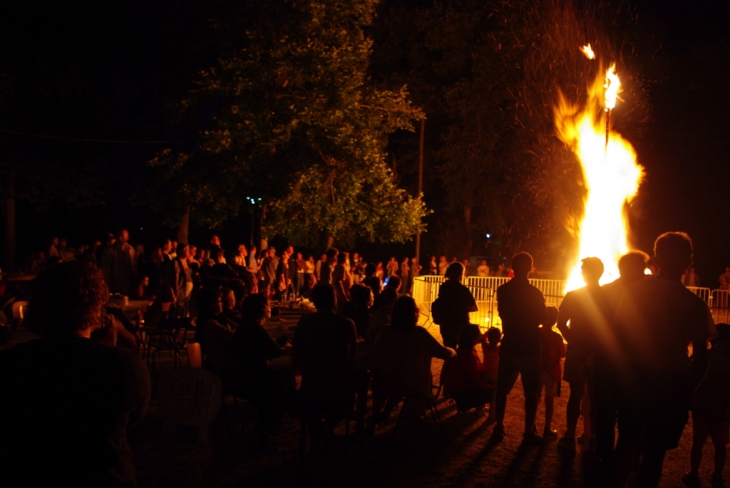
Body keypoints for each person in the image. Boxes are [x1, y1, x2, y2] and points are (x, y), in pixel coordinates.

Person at [0, 261, 150, 486]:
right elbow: (135, 416)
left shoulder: (12, 363)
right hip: (105, 475)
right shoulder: (123, 363)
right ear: (96, 306)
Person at [612, 232, 712, 488]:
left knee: (625, 443)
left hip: (634, 376)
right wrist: (687, 391)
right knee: (654, 454)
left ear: (655, 260)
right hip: (671, 382)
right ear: (688, 262)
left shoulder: (633, 292)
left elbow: (618, 336)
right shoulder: (694, 304)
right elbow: (701, 356)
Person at [595, 251, 649, 463]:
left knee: (606, 412)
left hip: (607, 359)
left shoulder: (604, 292)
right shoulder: (646, 295)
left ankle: (606, 457)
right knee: (632, 413)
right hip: (633, 363)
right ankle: (629, 458)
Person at [369, 296, 455, 427]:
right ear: (414, 313)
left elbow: (376, 354)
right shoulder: (419, 333)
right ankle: (414, 412)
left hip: (386, 381)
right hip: (410, 384)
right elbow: (443, 353)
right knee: (415, 368)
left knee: (385, 375)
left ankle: (377, 413)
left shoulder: (385, 330)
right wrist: (453, 350)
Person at [493, 252, 546, 444]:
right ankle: (528, 431)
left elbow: (502, 313)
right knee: (531, 392)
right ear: (530, 269)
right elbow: (542, 318)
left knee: (502, 388)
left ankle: (499, 425)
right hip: (530, 345)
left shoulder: (503, 290)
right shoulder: (535, 293)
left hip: (510, 343)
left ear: (512, 268)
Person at [229, 293, 293, 448]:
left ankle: (263, 430)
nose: (270, 309)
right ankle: (263, 431)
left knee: (283, 377)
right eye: (268, 307)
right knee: (282, 389)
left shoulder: (247, 326)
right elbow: (275, 352)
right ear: (263, 310)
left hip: (243, 375)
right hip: (249, 379)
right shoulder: (254, 329)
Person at [556, 257, 606, 452]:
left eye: (584, 269)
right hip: (597, 353)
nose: (582, 271)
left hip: (580, 352)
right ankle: (592, 437)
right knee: (594, 396)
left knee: (576, 395)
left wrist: (575, 344)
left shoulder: (573, 296)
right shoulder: (608, 297)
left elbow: (561, 324)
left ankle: (570, 435)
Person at [293, 284, 358, 431]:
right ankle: (327, 429)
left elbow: (296, 357)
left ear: (314, 301)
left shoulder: (306, 322)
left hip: (311, 390)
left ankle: (318, 432)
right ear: (334, 300)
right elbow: (352, 358)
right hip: (339, 393)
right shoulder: (347, 324)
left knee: (301, 402)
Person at [682, 323, 730, 488]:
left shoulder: (705, 357)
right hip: (722, 410)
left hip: (701, 406)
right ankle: (717, 476)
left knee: (698, 442)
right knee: (720, 445)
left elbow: (689, 369)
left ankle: (693, 474)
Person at [444, 323, 493, 413]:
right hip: (461, 391)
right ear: (473, 337)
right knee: (493, 391)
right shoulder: (468, 355)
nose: (481, 335)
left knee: (485, 378)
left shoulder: (465, 349)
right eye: (479, 333)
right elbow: (475, 379)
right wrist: (489, 385)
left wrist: (487, 333)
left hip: (457, 388)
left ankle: (465, 406)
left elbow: (479, 368)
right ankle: (478, 409)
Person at [435, 262, 478, 348]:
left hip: (445, 323)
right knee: (463, 350)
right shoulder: (462, 289)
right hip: (460, 325)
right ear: (461, 274)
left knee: (450, 351)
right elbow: (474, 307)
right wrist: (464, 308)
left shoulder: (443, 287)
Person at [541, 306, 566, 438]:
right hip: (552, 371)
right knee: (549, 401)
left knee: (534, 398)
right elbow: (562, 353)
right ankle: (547, 428)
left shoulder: (536, 333)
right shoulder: (556, 337)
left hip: (537, 369)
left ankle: (531, 426)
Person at [481, 327, 501, 421]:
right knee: (493, 395)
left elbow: (482, 339)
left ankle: (480, 410)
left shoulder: (485, 347)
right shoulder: (499, 349)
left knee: (484, 392)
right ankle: (492, 415)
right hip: (496, 375)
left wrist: (487, 331)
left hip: (485, 374)